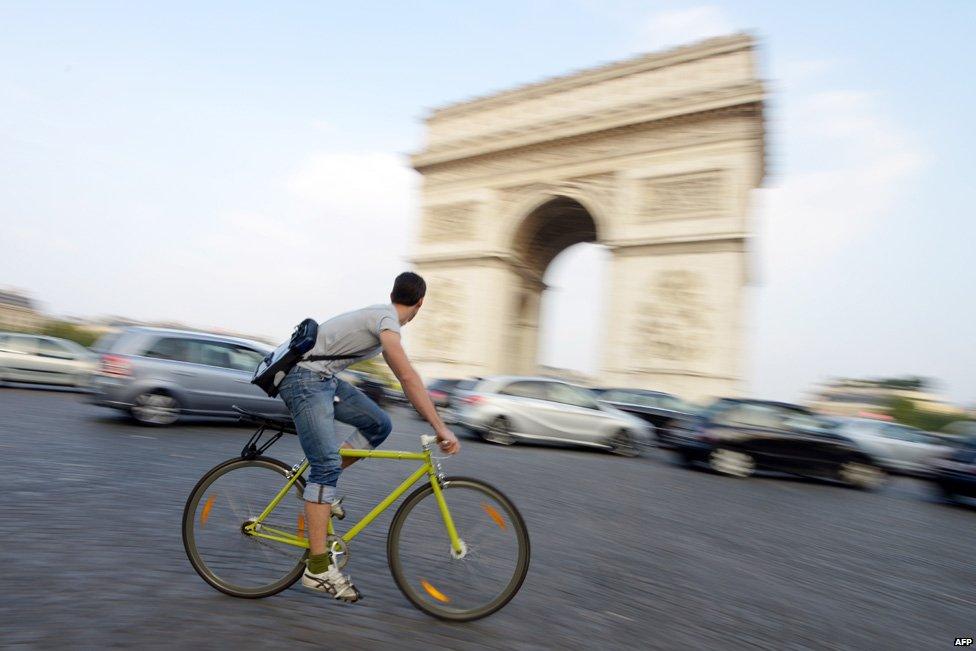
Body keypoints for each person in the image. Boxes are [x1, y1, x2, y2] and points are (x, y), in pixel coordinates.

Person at [276, 271, 459, 603]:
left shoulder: (380, 313)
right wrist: (440, 426)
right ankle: (317, 568)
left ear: (394, 293)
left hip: (322, 379)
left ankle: (322, 488)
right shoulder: (388, 322)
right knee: (327, 464)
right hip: (304, 380)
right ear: (420, 303)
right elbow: (406, 375)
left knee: (380, 425)